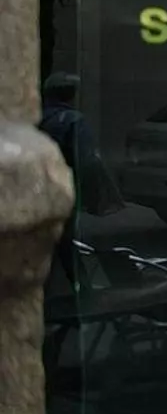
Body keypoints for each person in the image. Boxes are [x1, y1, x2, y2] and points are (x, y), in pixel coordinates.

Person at [39, 73, 124, 287]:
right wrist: (97, 195)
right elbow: (87, 161)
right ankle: (82, 288)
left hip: (36, 187)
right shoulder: (73, 120)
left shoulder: (34, 118)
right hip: (62, 187)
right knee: (64, 240)